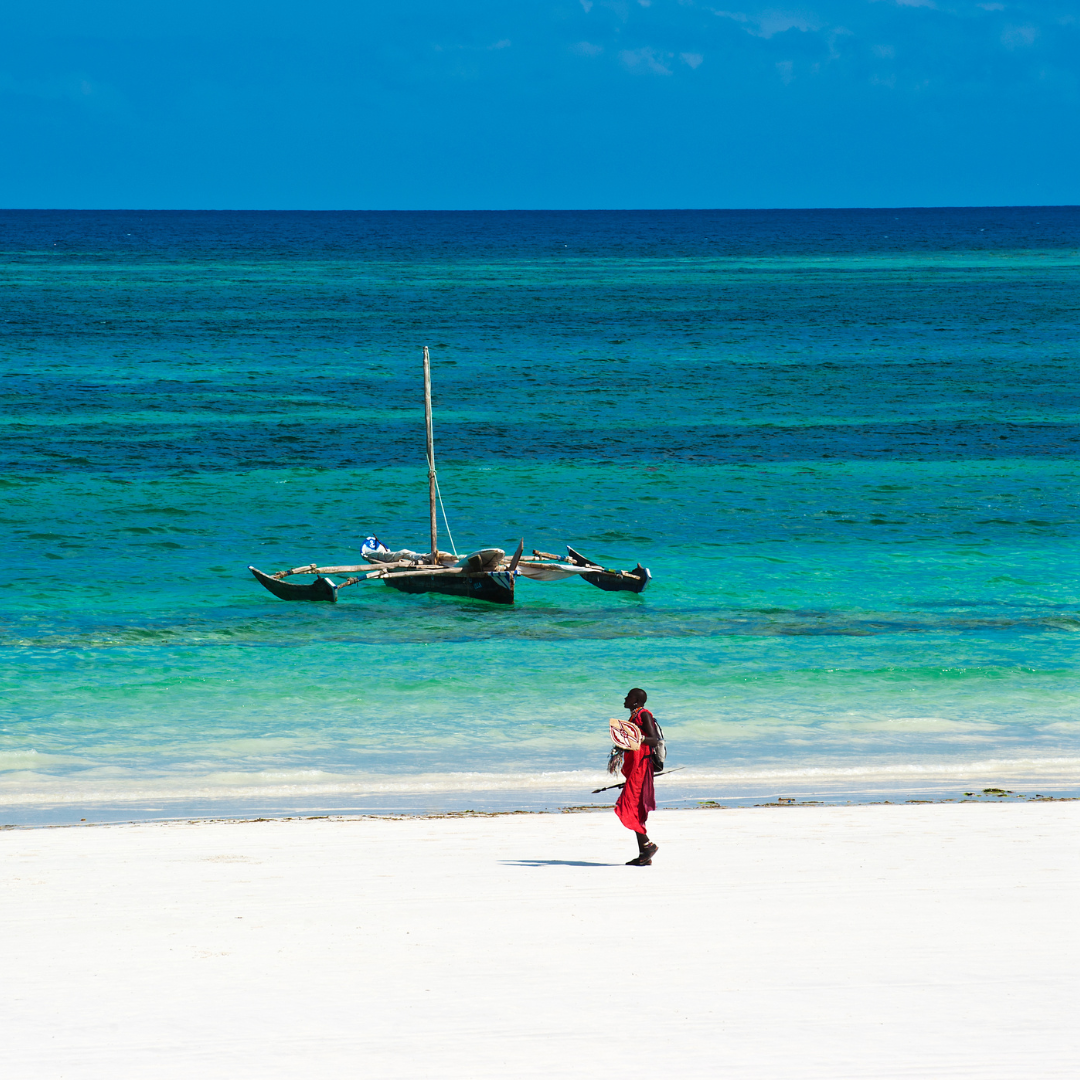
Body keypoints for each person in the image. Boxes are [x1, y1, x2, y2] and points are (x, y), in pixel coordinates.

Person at [615, 688, 659, 866]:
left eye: (629, 696)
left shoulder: (644, 714)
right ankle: (644, 854)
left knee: (628, 806)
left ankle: (648, 845)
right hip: (635, 767)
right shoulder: (634, 717)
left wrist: (638, 738)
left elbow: (654, 740)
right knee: (634, 807)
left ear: (636, 700)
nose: (625, 698)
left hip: (641, 767)